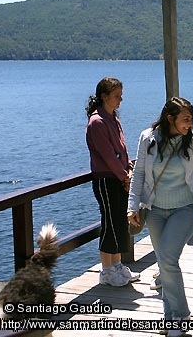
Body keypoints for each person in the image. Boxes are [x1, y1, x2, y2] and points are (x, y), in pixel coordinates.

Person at [127, 97, 193, 336]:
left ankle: (181, 316)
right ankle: (169, 317)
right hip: (155, 210)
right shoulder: (148, 138)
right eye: (186, 119)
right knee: (164, 263)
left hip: (184, 208)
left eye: (191, 119)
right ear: (170, 118)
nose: (190, 124)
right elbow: (139, 174)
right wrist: (132, 205)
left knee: (166, 258)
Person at [85, 77, 140, 287]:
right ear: (104, 96)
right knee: (109, 222)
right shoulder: (97, 122)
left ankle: (117, 266)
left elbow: (122, 151)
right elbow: (107, 156)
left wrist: (129, 170)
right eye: (117, 95)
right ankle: (107, 270)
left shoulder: (113, 119)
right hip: (106, 180)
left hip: (119, 178)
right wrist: (125, 177)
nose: (121, 99)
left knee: (119, 221)